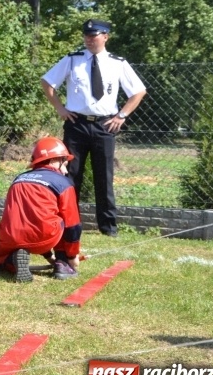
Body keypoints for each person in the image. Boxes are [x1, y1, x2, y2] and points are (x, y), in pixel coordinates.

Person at [41, 19, 147, 237]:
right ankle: (68, 223)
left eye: (94, 35)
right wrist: (60, 108)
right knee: (71, 175)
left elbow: (138, 91)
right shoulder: (72, 60)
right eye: (86, 36)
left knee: (104, 177)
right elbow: (47, 82)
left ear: (105, 36)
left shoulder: (117, 63)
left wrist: (122, 116)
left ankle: (108, 227)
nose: (89, 39)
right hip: (76, 124)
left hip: (104, 125)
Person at [0, 137, 83, 282]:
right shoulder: (63, 183)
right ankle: (63, 264)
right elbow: (73, 226)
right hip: (44, 237)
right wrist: (72, 256)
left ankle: (10, 261)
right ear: (54, 160)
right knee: (62, 219)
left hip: (9, 237)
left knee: (0, 262)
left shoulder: (18, 179)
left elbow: (29, 219)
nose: (66, 168)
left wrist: (48, 256)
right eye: (65, 161)